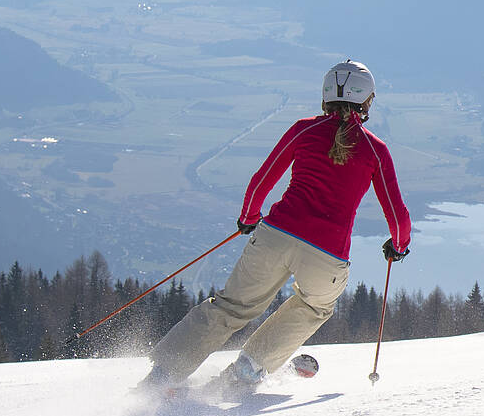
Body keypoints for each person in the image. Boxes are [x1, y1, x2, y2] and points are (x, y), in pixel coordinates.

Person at [139, 60, 411, 393]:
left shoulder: (304, 130)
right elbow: (400, 220)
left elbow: (260, 183)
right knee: (314, 306)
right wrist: (397, 246)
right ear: (367, 100)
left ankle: (163, 375)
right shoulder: (375, 150)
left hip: (276, 236)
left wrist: (249, 218)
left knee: (232, 307)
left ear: (326, 95)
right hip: (327, 255)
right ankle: (249, 368)